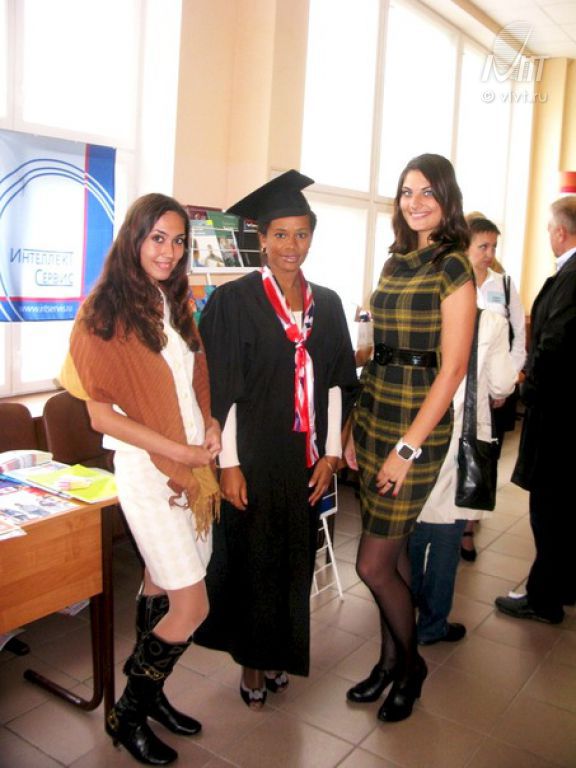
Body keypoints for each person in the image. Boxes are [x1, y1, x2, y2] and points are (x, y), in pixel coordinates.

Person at [60, 193, 221, 766]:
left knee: (159, 583)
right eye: (158, 238)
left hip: (186, 465)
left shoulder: (172, 302)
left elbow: (192, 378)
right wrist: (180, 450)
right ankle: (126, 714)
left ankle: (151, 696)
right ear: (134, 237)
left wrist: (209, 424)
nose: (169, 252)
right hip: (148, 471)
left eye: (178, 241)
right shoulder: (102, 313)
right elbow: (101, 417)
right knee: (192, 606)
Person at [194, 170, 358, 709]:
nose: (292, 245)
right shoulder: (233, 301)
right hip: (252, 454)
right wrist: (229, 464)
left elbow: (336, 384)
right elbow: (221, 391)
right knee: (252, 560)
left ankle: (279, 652)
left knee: (294, 559)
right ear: (261, 239)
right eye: (281, 234)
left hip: (305, 457)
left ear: (312, 237)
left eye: (302, 234)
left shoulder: (327, 304)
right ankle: (251, 661)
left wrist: (331, 456)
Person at [345, 153, 476, 723]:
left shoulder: (455, 267)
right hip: (376, 410)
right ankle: (388, 661)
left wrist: (406, 449)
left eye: (427, 191)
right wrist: (353, 425)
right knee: (392, 555)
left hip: (415, 426)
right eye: (405, 192)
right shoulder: (395, 261)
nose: (415, 202)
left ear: (447, 198)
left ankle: (412, 667)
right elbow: (378, 350)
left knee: (371, 565)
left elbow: (453, 369)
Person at [410, 309, 516, 644]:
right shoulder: (488, 321)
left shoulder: (421, 311)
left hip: (414, 436)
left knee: (413, 529)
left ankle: (400, 613)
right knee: (446, 535)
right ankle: (432, 625)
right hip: (461, 440)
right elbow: (501, 383)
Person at [495, 195, 576, 624]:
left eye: (548, 228)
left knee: (549, 506)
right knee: (564, 503)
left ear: (560, 232)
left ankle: (544, 598)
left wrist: (529, 388)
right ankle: (564, 583)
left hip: (559, 411)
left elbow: (555, 342)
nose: (547, 235)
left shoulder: (571, 276)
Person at [459, 217, 527, 561]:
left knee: (484, 455)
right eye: (482, 246)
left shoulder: (504, 284)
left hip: (494, 387)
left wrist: (507, 382)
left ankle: (469, 526)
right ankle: (451, 518)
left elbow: (519, 337)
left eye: (493, 247)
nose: (489, 254)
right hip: (459, 384)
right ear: (466, 246)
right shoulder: (455, 283)